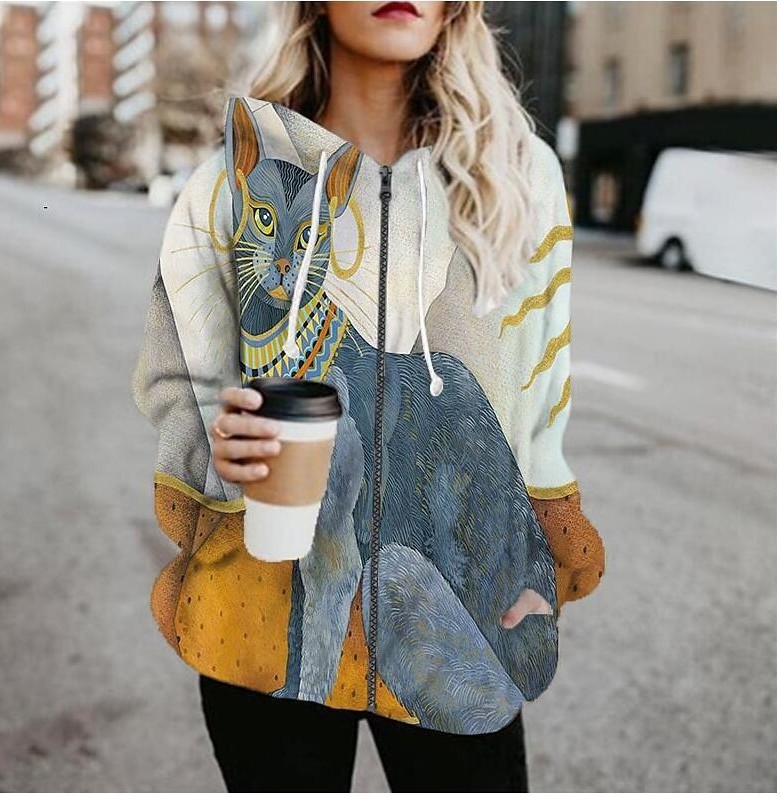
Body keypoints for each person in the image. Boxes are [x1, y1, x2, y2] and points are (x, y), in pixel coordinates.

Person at [131, 1, 606, 792]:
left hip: (452, 608)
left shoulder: (516, 173)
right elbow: (177, 376)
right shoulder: (232, 178)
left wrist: (540, 560)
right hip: (267, 613)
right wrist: (215, 437)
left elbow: (539, 396)